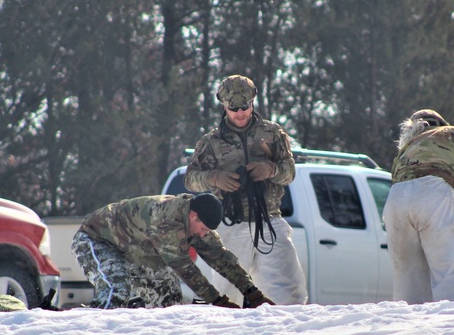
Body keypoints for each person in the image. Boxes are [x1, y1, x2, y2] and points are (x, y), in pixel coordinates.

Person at [184, 75, 308, 306]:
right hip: (230, 225)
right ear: (224, 106)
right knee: (226, 294)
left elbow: (289, 173)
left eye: (245, 106)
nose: (240, 112)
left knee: (287, 292)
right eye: (233, 108)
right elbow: (190, 179)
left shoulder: (272, 133)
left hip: (269, 220)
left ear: (253, 102)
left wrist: (269, 169)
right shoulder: (211, 141)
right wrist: (215, 178)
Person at [71, 192, 273, 309]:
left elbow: (220, 257)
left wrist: (251, 291)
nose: (203, 235)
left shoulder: (195, 221)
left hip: (134, 250)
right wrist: (217, 301)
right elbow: (184, 268)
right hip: (95, 240)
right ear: (193, 216)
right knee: (117, 288)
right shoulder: (165, 219)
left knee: (170, 301)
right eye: (203, 229)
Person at [383, 109, 454, 304]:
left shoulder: (405, 148)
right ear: (441, 123)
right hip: (434, 192)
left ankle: (410, 330)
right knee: (452, 275)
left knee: (407, 280)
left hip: (396, 199)